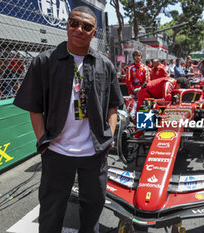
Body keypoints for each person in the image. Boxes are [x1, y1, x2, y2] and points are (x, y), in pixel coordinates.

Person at [13, 6, 123, 233]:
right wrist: (43, 140)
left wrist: (109, 138)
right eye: (74, 23)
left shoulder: (105, 64)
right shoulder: (45, 61)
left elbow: (113, 105)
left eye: (87, 26)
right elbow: (34, 107)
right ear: (67, 25)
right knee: (52, 212)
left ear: (94, 33)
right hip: (57, 151)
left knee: (93, 209)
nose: (79, 29)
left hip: (94, 151)